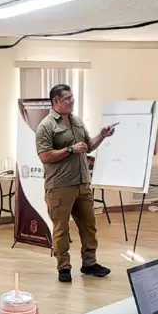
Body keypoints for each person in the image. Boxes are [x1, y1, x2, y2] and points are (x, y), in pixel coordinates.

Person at [35, 84, 117, 283]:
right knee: (61, 228)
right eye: (67, 99)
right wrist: (70, 150)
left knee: (89, 225)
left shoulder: (77, 121)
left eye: (72, 98)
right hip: (60, 186)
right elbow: (45, 156)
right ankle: (63, 267)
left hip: (82, 183)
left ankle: (89, 263)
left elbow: (87, 146)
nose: (72, 102)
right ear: (55, 101)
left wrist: (102, 136)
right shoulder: (46, 126)